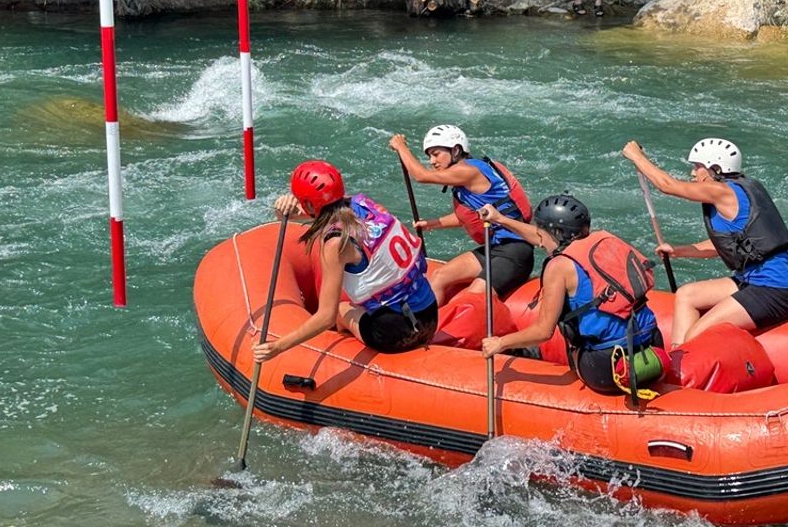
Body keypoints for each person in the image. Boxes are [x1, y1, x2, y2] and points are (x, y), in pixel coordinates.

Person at [252, 160, 438, 362]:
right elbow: (326, 212)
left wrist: (277, 347)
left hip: (398, 334)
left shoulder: (335, 244)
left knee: (341, 309)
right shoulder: (363, 203)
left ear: (306, 203)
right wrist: (286, 212)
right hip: (429, 315)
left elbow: (325, 317)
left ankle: (339, 357)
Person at [477, 195, 664, 395]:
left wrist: (500, 343)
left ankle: (533, 356)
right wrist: (500, 219)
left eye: (541, 231)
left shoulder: (559, 267)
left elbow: (543, 332)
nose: (539, 238)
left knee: (546, 343)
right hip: (654, 348)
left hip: (610, 370)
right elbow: (543, 239)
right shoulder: (604, 240)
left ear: (556, 232)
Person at [622, 138, 788, 349]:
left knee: (695, 336)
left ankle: (687, 357)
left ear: (715, 168)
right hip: (749, 281)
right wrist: (679, 251)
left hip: (772, 289)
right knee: (686, 295)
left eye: (697, 167)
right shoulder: (735, 191)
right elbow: (728, 245)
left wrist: (637, 157)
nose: (693, 173)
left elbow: (668, 186)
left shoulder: (722, 191)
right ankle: (678, 360)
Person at [389, 125, 535, 305]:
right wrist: (431, 224)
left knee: (474, 297)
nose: (432, 161)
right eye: (429, 156)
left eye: (436, 154)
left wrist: (401, 146)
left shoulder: (469, 171)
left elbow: (421, 176)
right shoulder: (467, 177)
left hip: (515, 252)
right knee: (439, 276)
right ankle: (429, 329)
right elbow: (467, 216)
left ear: (456, 150)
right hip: (493, 249)